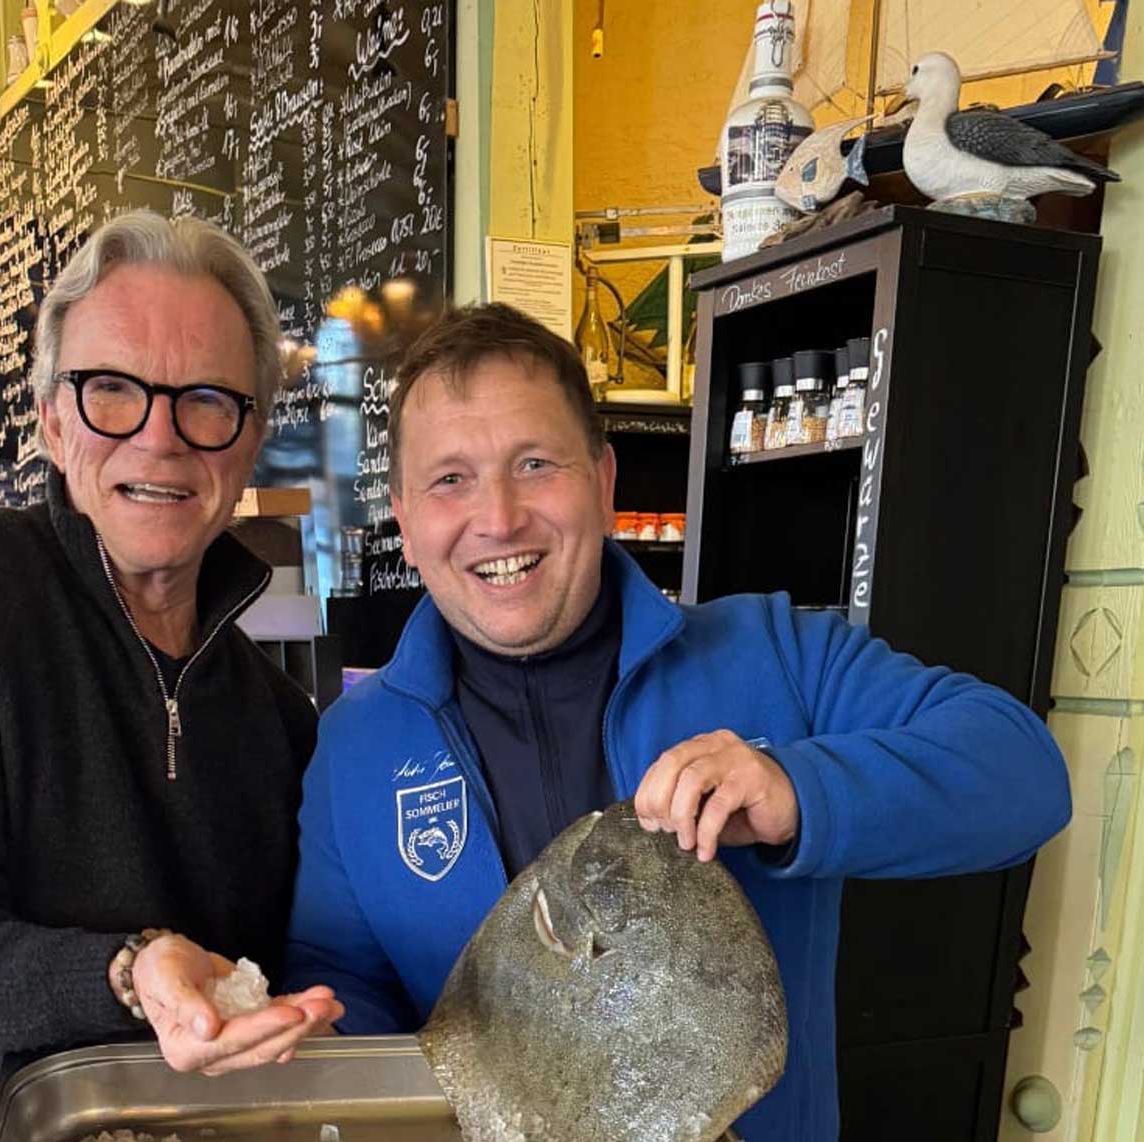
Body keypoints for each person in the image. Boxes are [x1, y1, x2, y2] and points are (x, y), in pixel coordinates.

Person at [283, 303, 1071, 1140]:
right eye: (450, 480)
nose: (499, 517)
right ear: (405, 520)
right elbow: (341, 981)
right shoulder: (354, 744)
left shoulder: (776, 652)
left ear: (604, 482)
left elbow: (1025, 776)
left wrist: (798, 790)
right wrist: (312, 1034)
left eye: (536, 463)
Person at [0, 212, 343, 1142]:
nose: (159, 437)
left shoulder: (280, 719)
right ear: (54, 421)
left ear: (252, 438)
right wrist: (130, 969)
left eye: (206, 400)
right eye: (112, 390)